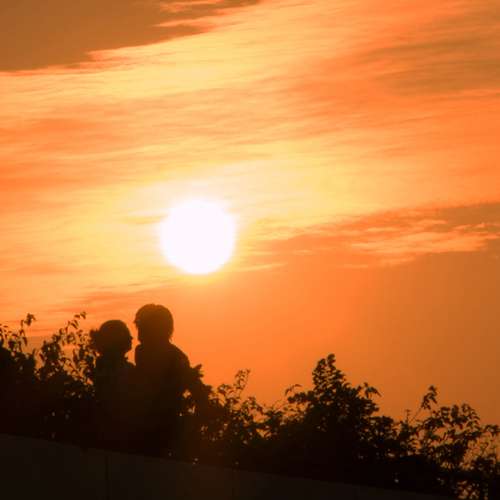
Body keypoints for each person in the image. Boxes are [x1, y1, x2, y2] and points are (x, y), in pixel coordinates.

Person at [133, 304, 210, 456]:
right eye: (139, 326)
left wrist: (192, 427)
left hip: (166, 427)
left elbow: (200, 393)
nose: (139, 332)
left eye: (142, 326)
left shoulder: (176, 357)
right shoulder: (141, 351)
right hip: (141, 424)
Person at [90, 320, 137, 452]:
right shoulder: (112, 369)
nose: (131, 337)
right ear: (116, 339)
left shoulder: (104, 366)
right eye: (126, 334)